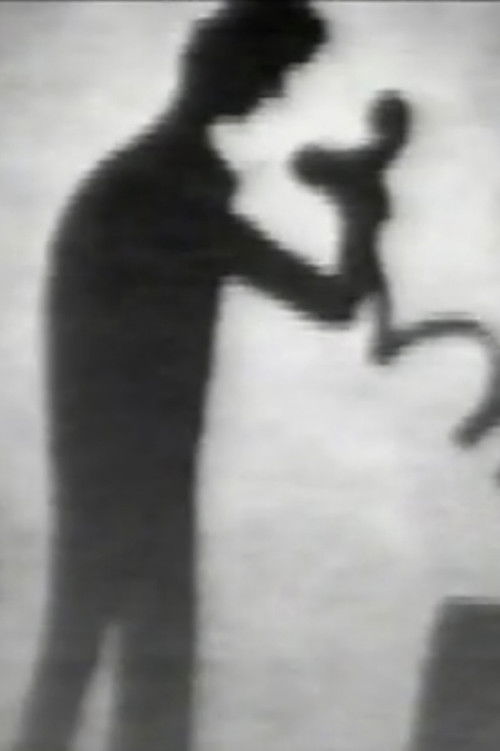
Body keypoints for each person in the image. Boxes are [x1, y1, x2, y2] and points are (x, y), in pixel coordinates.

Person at [12, 2, 378, 750]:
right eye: (271, 72)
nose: (273, 93)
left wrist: (358, 213)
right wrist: (359, 214)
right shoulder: (161, 192)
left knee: (96, 658)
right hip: (134, 472)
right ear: (226, 68)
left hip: (125, 469)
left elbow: (330, 301)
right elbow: (333, 301)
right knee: (120, 666)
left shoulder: (143, 185)